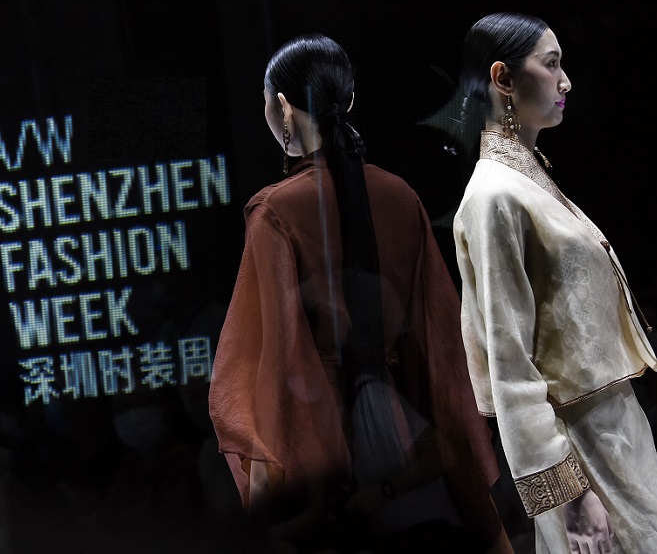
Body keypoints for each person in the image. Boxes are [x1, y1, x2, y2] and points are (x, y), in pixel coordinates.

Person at [208, 33, 513, 553]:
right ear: (348, 102)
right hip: (412, 451)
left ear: (282, 107)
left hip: (322, 461)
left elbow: (269, 368)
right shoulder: (400, 196)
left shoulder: (274, 212)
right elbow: (440, 346)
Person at [450, 11, 657, 553]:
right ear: (503, 78)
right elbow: (509, 362)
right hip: (580, 446)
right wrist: (566, 493)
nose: (565, 82)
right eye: (551, 64)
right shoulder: (494, 196)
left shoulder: (526, 180)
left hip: (611, 431)